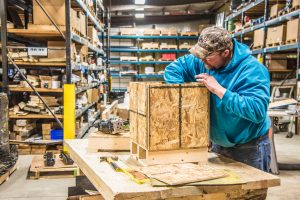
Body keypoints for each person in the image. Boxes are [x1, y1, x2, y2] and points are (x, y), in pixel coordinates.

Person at [164, 26, 271, 172]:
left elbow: (257, 111)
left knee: (249, 193)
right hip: (218, 144)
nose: (202, 61)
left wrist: (219, 90)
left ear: (225, 53)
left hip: (249, 147)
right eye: (200, 56)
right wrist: (183, 99)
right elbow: (173, 70)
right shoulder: (202, 61)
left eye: (207, 57)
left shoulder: (253, 70)